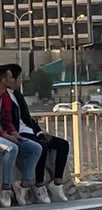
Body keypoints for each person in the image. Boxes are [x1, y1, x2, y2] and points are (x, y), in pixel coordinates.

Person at [4, 63, 70, 202]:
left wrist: (40, 132)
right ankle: (39, 185)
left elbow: (27, 118)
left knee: (63, 145)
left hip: (30, 130)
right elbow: (6, 120)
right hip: (19, 132)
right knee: (41, 147)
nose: (21, 81)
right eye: (19, 78)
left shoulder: (18, 95)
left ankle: (56, 183)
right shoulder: (4, 97)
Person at [0, 65, 43, 206]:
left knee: (35, 148)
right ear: (3, 79)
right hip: (2, 136)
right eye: (11, 77)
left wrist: (13, 132)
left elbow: (7, 119)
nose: (13, 80)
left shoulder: (5, 96)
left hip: (5, 134)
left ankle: (23, 185)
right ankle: (5, 187)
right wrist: (6, 136)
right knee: (12, 148)